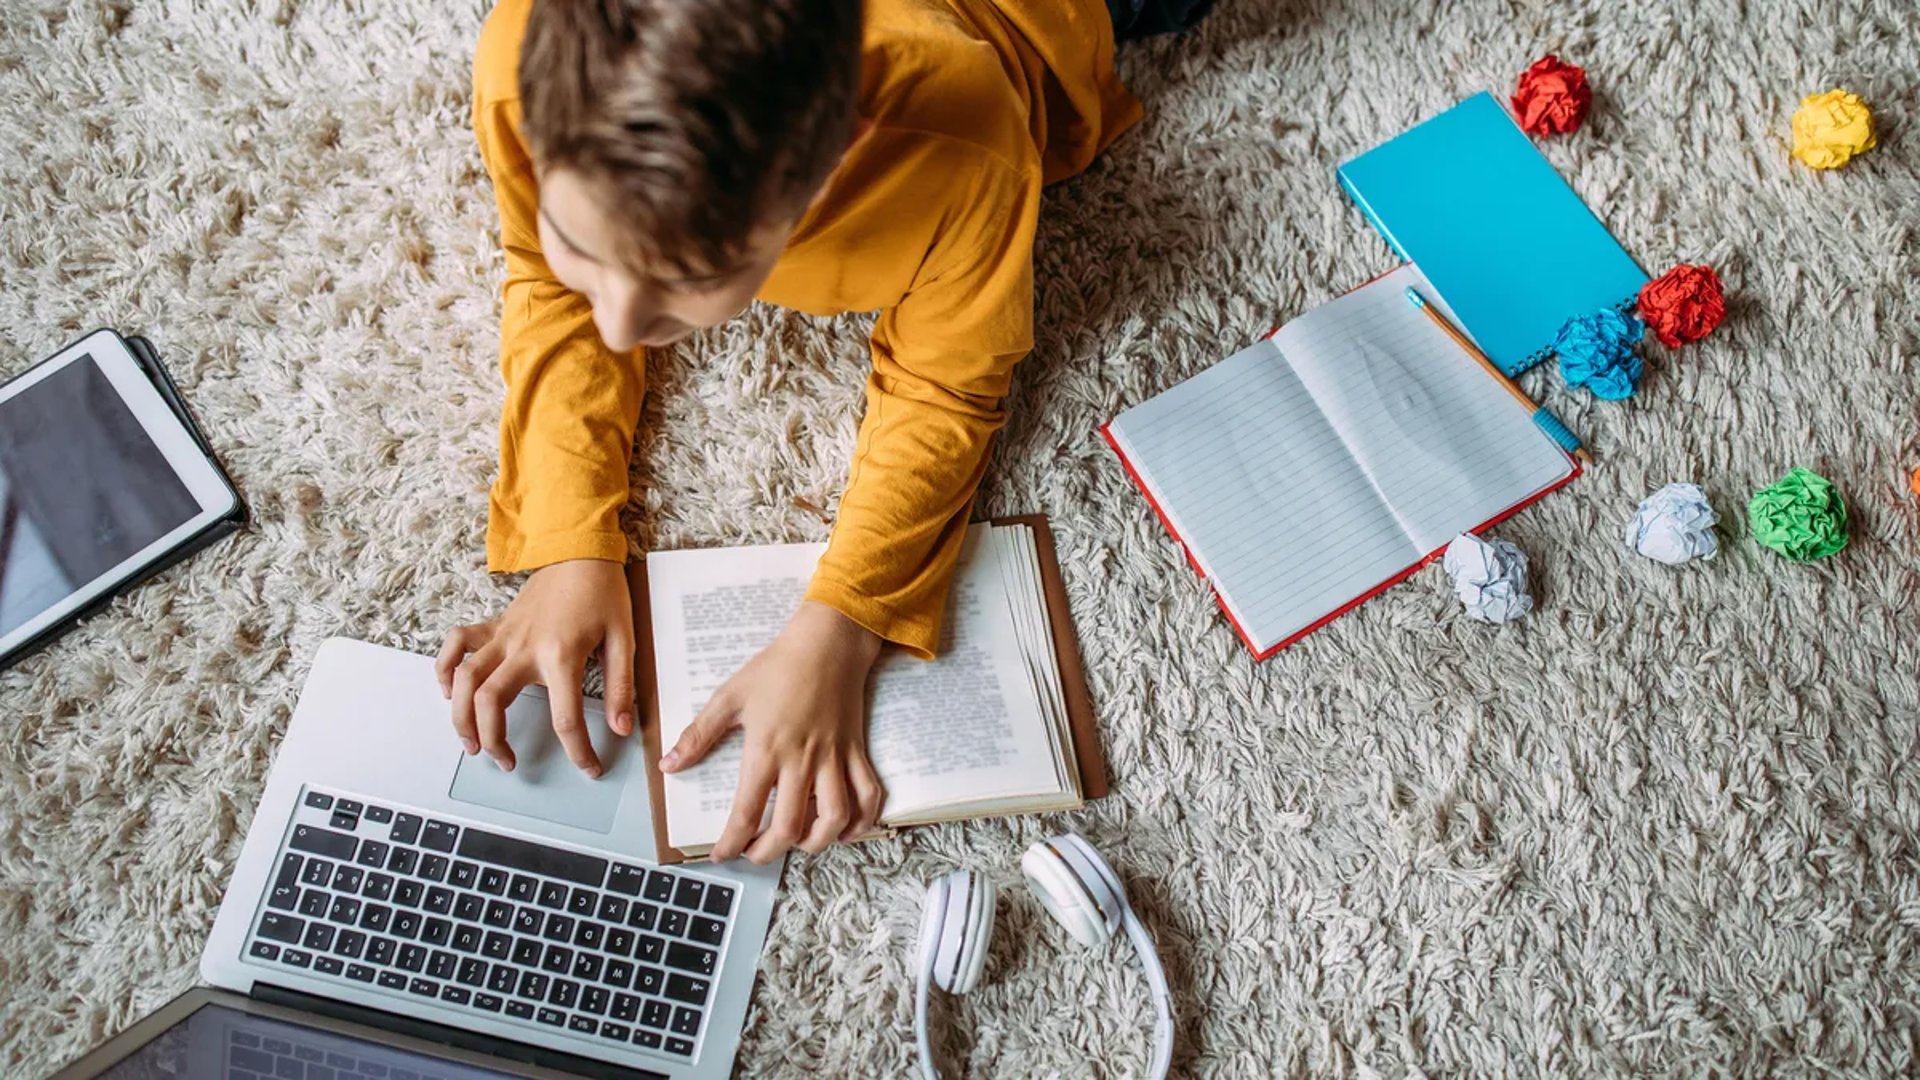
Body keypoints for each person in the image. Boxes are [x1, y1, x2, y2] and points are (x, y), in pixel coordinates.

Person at [438, 0, 1207, 864]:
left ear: (838, 150)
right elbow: (545, 283)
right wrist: (569, 543)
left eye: (686, 282)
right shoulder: (519, 56)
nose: (615, 327)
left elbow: (947, 388)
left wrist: (841, 626)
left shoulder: (966, 135)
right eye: (585, 245)